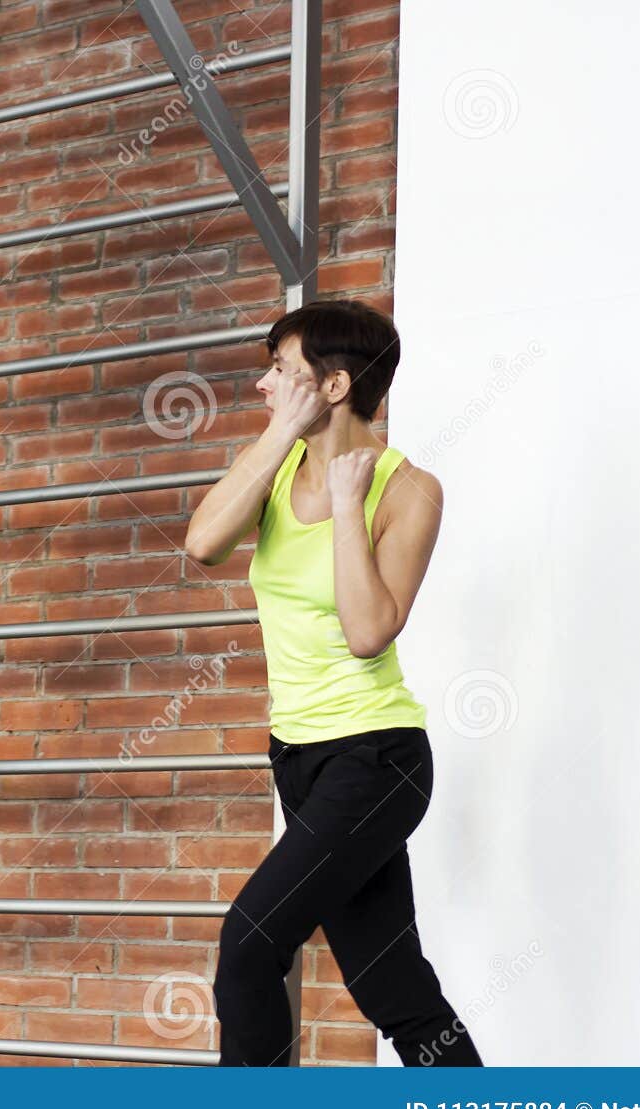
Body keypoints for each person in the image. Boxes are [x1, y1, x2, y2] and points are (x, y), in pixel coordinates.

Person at [184, 299, 482, 1067]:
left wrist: (349, 507)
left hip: (376, 758)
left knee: (251, 940)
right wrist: (279, 434)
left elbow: (368, 630)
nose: (263, 385)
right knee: (393, 986)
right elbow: (204, 543)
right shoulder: (276, 465)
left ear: (335, 385)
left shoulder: (409, 489)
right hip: (298, 757)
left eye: (281, 372)